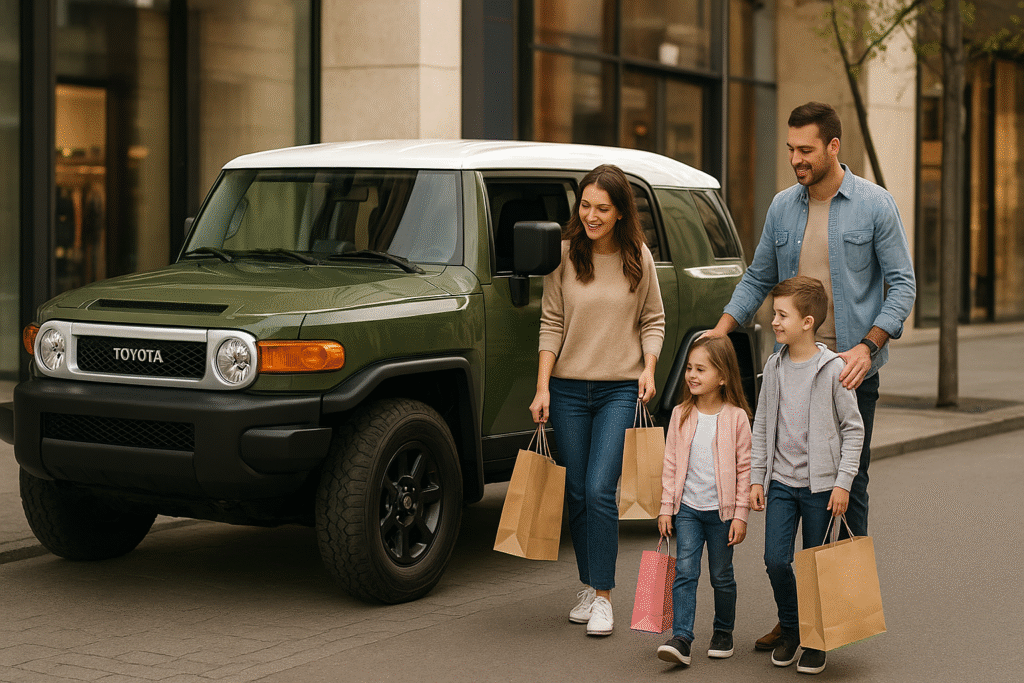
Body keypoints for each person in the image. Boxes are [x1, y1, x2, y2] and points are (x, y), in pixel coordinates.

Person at [704, 101, 915, 650]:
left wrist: (869, 347)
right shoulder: (783, 207)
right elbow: (758, 276)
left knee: (848, 488)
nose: (795, 159)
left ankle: (838, 611)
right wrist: (721, 330)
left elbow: (902, 285)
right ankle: (796, 615)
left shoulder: (874, 205)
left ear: (833, 147)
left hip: (848, 370)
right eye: (791, 150)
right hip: (791, 369)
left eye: (805, 150)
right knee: (786, 484)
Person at [529, 164, 665, 637]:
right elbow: (551, 323)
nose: (591, 215)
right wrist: (543, 385)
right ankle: (588, 585)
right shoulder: (563, 256)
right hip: (567, 388)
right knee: (578, 492)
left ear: (621, 211)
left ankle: (604, 597)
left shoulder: (637, 257)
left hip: (619, 389)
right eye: (585, 206)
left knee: (601, 487)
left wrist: (648, 368)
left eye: (602, 208)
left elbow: (654, 320)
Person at [750, 276, 864, 675]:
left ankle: (817, 641)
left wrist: (843, 482)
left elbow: (854, 428)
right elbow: (762, 423)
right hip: (782, 483)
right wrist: (756, 477)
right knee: (775, 560)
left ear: (807, 322)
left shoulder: (832, 369)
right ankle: (793, 628)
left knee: (816, 565)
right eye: (774, 313)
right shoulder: (774, 366)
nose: (774, 321)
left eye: (782, 315)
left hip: (820, 488)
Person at [655, 336, 752, 667]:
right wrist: (666, 507)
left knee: (721, 575)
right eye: (689, 368)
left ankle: (723, 632)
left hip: (722, 514)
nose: (692, 375)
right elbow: (670, 465)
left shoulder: (737, 418)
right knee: (684, 571)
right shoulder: (680, 415)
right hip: (689, 511)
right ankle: (682, 637)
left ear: (722, 376)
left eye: (701, 369)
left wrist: (741, 515)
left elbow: (745, 469)